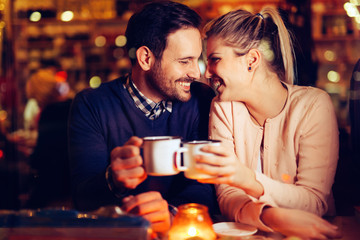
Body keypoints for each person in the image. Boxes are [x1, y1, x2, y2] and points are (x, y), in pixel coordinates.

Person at [68, 1, 217, 236]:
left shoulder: (202, 99)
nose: (196, 73)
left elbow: (207, 185)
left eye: (197, 59)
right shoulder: (92, 104)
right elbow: (82, 197)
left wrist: (171, 213)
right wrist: (112, 179)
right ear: (145, 58)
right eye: (184, 61)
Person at [193, 6, 341, 239]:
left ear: (251, 60)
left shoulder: (313, 106)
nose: (207, 73)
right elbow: (227, 195)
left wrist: (248, 180)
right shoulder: (223, 107)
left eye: (215, 60)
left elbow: (314, 202)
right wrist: (270, 216)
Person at [24, 68, 74, 208]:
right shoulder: (72, 105)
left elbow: (43, 156)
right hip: (74, 182)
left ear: (41, 94)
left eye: (35, 98)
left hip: (57, 187)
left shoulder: (51, 112)